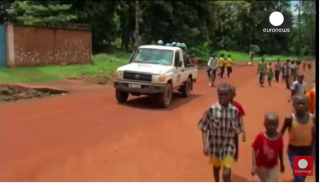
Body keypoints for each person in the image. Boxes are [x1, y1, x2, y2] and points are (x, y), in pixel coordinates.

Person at [198, 83, 242, 182]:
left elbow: (236, 133)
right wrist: (205, 144)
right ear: (217, 95)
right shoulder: (211, 110)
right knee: (216, 168)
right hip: (215, 146)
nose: (223, 97)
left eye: (225, 95)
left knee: (226, 171)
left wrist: (237, 151)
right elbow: (204, 127)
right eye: (220, 94)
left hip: (228, 146)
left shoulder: (235, 112)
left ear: (230, 95)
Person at [280, 94, 314, 182]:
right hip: (294, 150)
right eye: (298, 103)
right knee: (300, 177)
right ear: (294, 105)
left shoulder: (312, 118)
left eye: (303, 103)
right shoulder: (290, 118)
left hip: (308, 150)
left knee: (303, 175)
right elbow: (281, 133)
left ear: (307, 104)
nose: (301, 105)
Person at [251, 112, 285, 182]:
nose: (272, 126)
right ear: (265, 124)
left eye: (274, 124)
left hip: (273, 166)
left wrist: (282, 164)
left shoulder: (279, 137)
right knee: (264, 180)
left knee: (273, 180)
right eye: (269, 124)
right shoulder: (260, 137)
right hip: (261, 166)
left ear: (278, 124)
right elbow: (254, 149)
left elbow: (280, 150)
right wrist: (254, 165)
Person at [230, 86, 246, 162]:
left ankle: (234, 156)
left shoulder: (237, 106)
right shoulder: (221, 105)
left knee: (235, 143)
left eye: (231, 93)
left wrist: (243, 132)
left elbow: (241, 120)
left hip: (234, 130)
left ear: (234, 95)